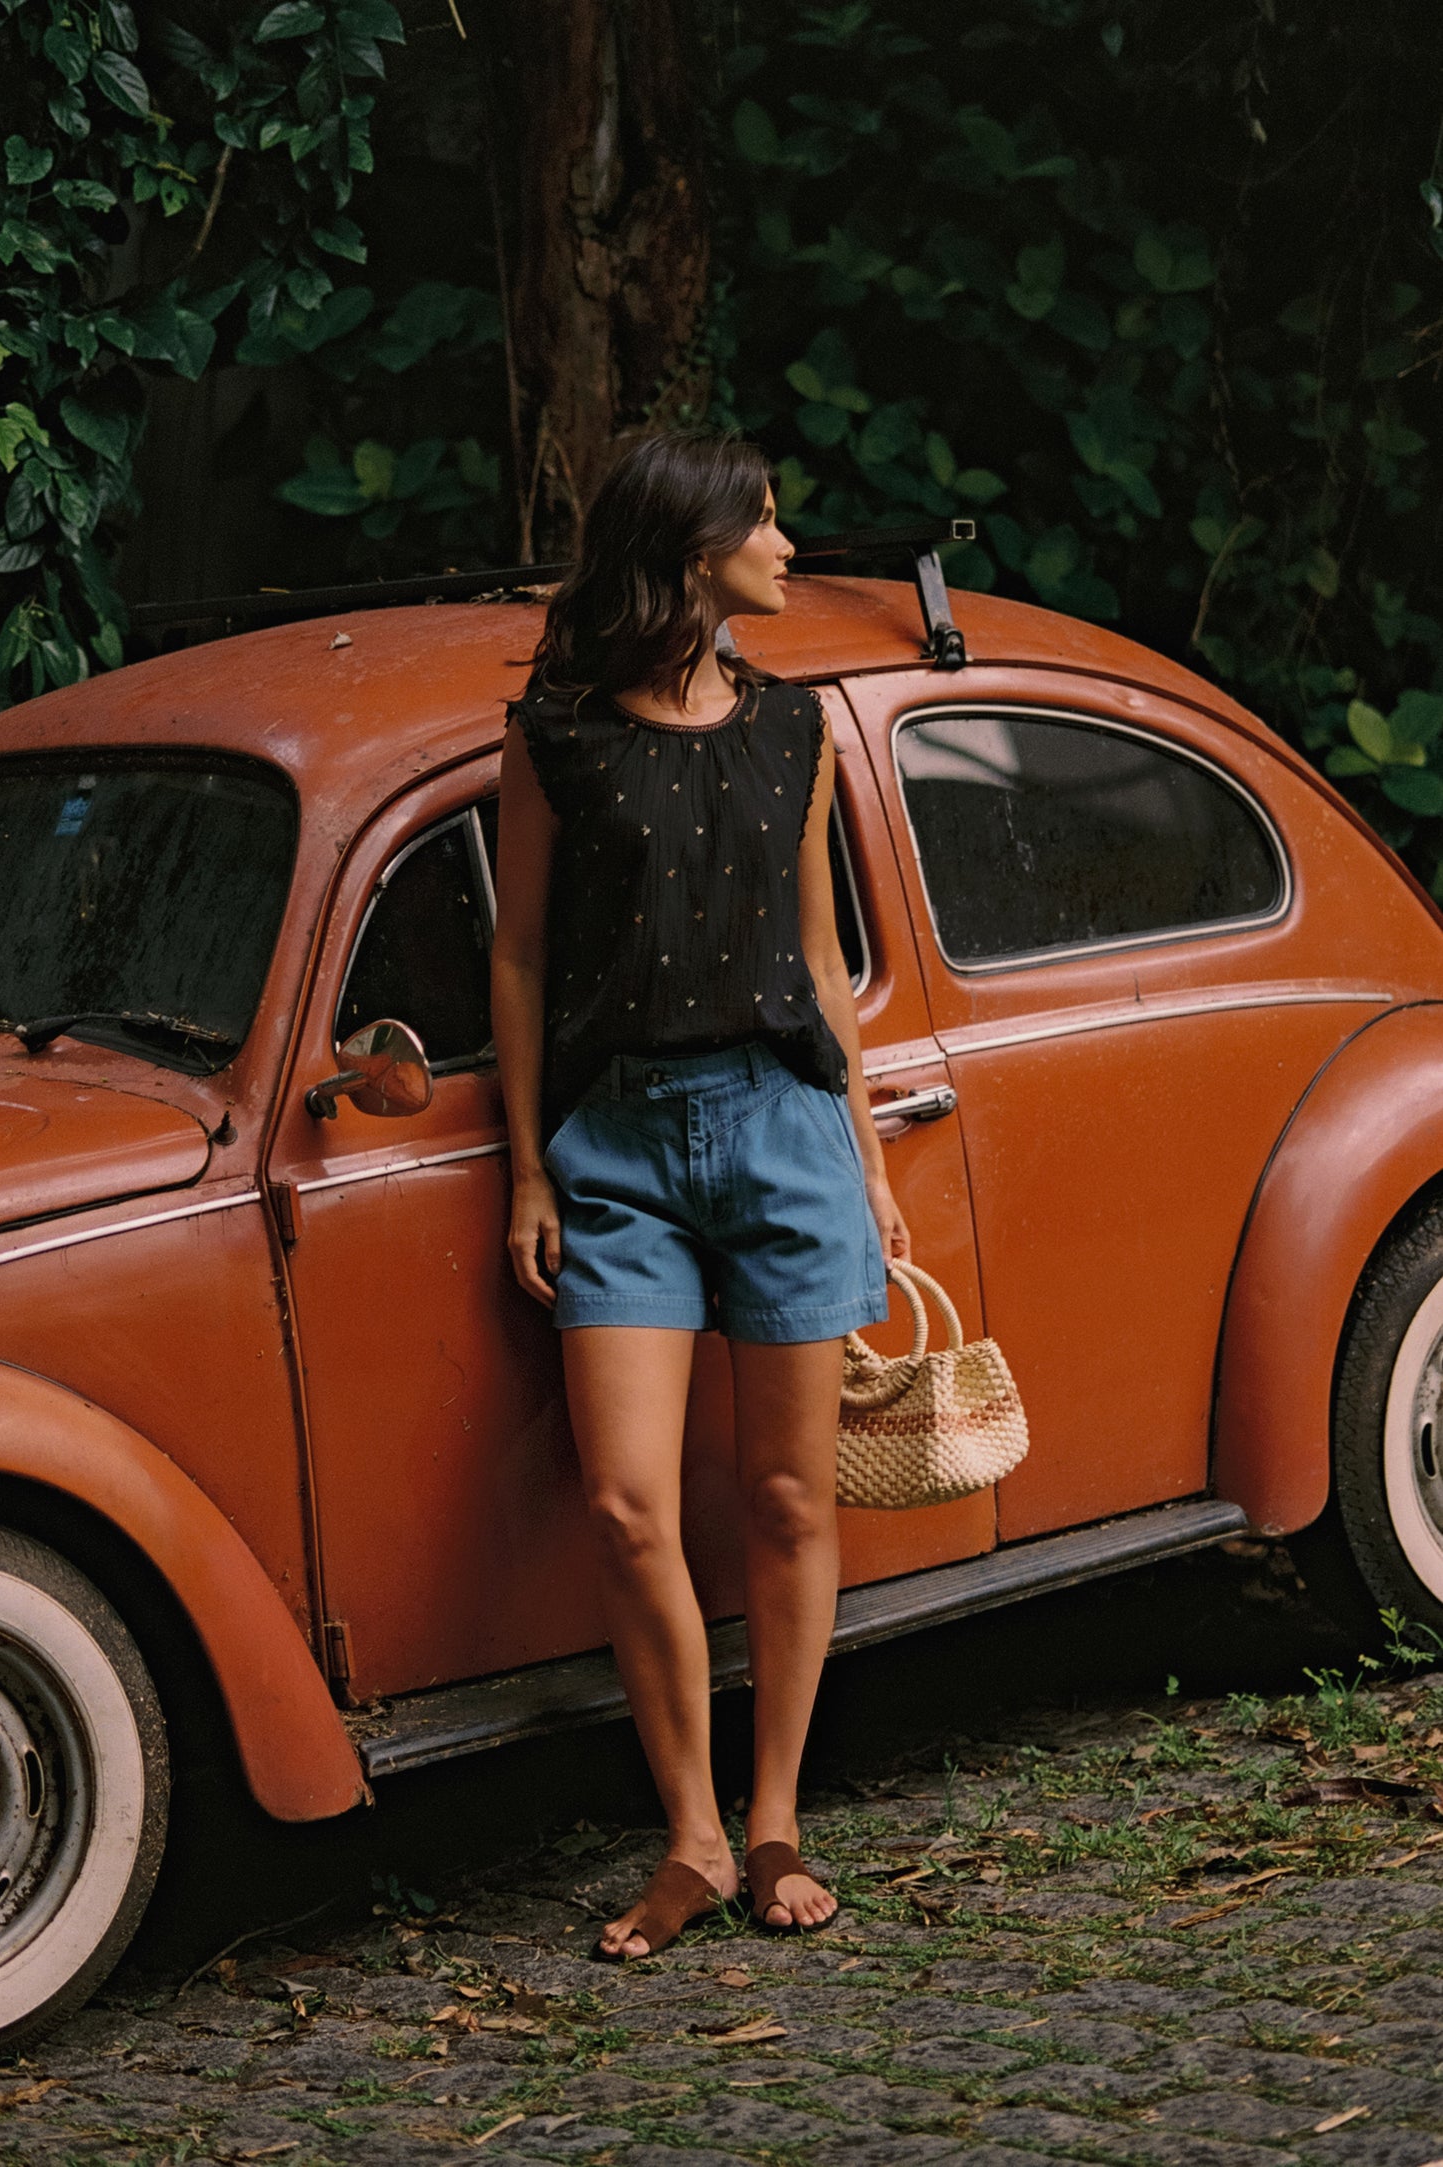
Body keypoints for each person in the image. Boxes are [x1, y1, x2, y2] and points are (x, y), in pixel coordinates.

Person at [492, 431, 910, 1961]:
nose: (789, 545)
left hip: (781, 1128)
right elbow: (521, 955)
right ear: (690, 553)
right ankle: (688, 1835)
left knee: (793, 1498)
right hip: (618, 1151)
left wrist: (861, 1156)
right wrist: (530, 1166)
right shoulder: (554, 738)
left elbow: (814, 956)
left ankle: (779, 1815)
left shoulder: (793, 728)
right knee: (624, 1506)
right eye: (765, 522)